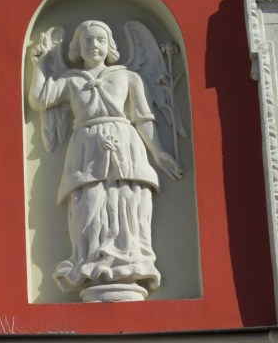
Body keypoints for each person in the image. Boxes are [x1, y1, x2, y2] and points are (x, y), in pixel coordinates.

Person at [29, 20, 182, 302]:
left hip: (124, 143)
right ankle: (90, 261)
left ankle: (131, 261)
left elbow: (143, 119)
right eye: (87, 40)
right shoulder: (72, 80)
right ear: (77, 47)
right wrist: (40, 65)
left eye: (100, 40)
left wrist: (159, 152)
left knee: (128, 199)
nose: (94, 46)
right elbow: (40, 100)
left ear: (110, 44)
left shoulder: (128, 76)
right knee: (88, 202)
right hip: (86, 146)